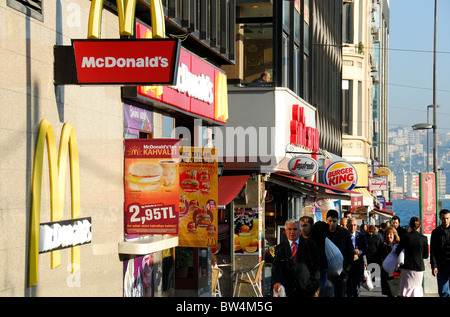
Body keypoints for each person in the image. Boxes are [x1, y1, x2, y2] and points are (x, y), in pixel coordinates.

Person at [272, 219, 321, 297]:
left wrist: (313, 285)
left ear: (300, 230)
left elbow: (316, 266)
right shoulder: (280, 248)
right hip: (287, 291)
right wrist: (277, 282)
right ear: (285, 231)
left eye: (295, 229)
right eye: (289, 229)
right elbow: (276, 268)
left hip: (306, 289)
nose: (292, 232)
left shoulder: (310, 245)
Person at [320, 210, 354, 297]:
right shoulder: (322, 233)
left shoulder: (344, 233)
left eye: (334, 221)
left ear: (337, 221)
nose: (332, 224)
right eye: (330, 221)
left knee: (340, 293)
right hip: (326, 271)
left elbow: (350, 251)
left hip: (341, 271)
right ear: (326, 220)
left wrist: (346, 268)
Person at [396, 216, 429, 297]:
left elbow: (398, 251)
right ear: (420, 226)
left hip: (406, 267)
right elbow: (425, 255)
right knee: (416, 289)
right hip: (418, 267)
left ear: (409, 225)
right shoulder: (424, 238)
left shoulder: (404, 237)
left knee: (405, 289)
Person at [300, 216, 328, 296]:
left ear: (311, 226)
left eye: (305, 225)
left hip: (320, 271)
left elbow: (323, 225)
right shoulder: (298, 239)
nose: (302, 228)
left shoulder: (318, 236)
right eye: (300, 226)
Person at [374, 226, 401, 297]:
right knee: (389, 293)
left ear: (394, 235)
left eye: (390, 234)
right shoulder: (382, 246)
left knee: (397, 292)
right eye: (387, 234)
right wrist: (381, 265)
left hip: (397, 272)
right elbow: (377, 257)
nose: (388, 236)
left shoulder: (398, 245)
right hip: (386, 272)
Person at [346, 218, 368, 297]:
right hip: (347, 264)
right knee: (348, 286)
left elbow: (366, 249)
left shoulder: (361, 236)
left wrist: (360, 252)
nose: (352, 227)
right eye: (351, 225)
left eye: (354, 225)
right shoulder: (345, 236)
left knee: (356, 287)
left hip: (357, 264)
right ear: (347, 226)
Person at [430, 209, 450, 297]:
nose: (445, 221)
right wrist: (434, 266)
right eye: (443, 218)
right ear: (440, 218)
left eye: (447, 218)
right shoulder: (435, 232)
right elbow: (433, 250)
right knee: (443, 291)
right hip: (442, 265)